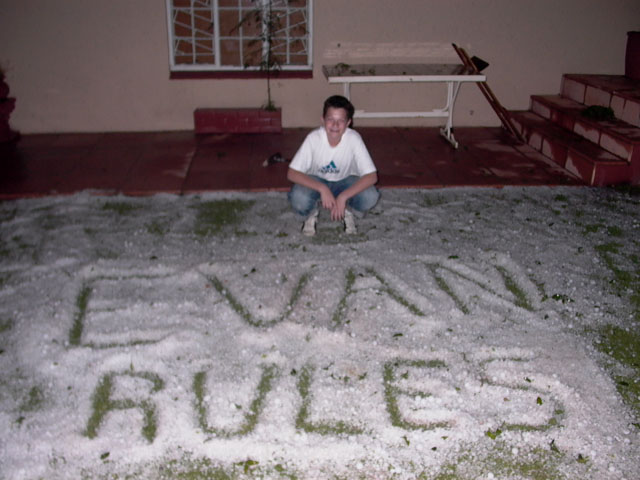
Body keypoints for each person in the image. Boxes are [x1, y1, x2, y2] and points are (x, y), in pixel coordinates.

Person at [287, 95, 380, 236]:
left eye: (340, 120)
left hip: (345, 181)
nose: (335, 125)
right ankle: (311, 213)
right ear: (323, 120)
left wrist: (343, 197)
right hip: (317, 181)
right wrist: (322, 188)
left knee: (370, 196)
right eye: (330, 119)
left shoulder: (354, 139)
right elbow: (292, 173)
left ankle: (347, 210)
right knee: (299, 197)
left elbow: (372, 176)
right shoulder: (313, 138)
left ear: (348, 123)